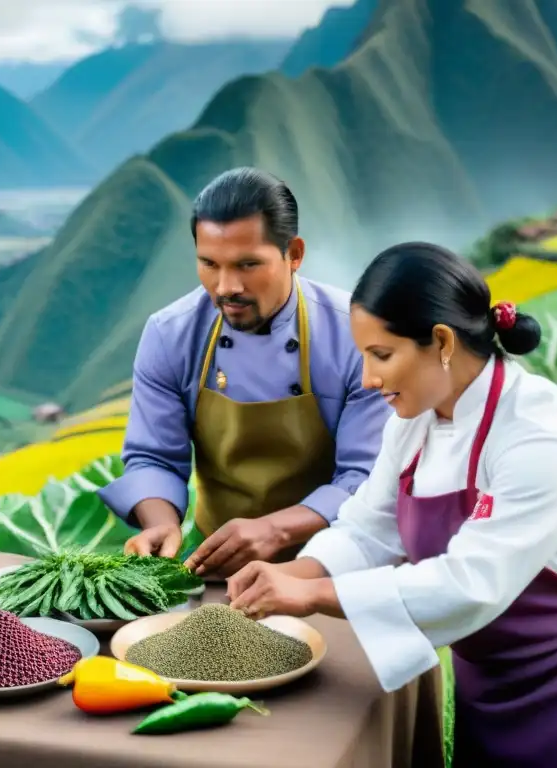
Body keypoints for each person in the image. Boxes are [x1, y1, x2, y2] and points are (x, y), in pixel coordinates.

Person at [227, 241, 557, 767]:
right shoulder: (416, 422)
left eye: (381, 355)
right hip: (487, 685)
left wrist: (311, 593)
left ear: (442, 342)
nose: (367, 379)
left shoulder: (542, 437)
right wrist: (289, 573)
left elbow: (470, 584)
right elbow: (367, 529)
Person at [97, 168, 392, 579]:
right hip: (215, 565)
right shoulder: (170, 334)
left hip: (334, 564)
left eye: (248, 264)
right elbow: (153, 457)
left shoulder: (355, 335)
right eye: (209, 264)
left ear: (294, 253)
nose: (225, 287)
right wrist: (161, 522)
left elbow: (367, 478)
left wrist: (274, 529)